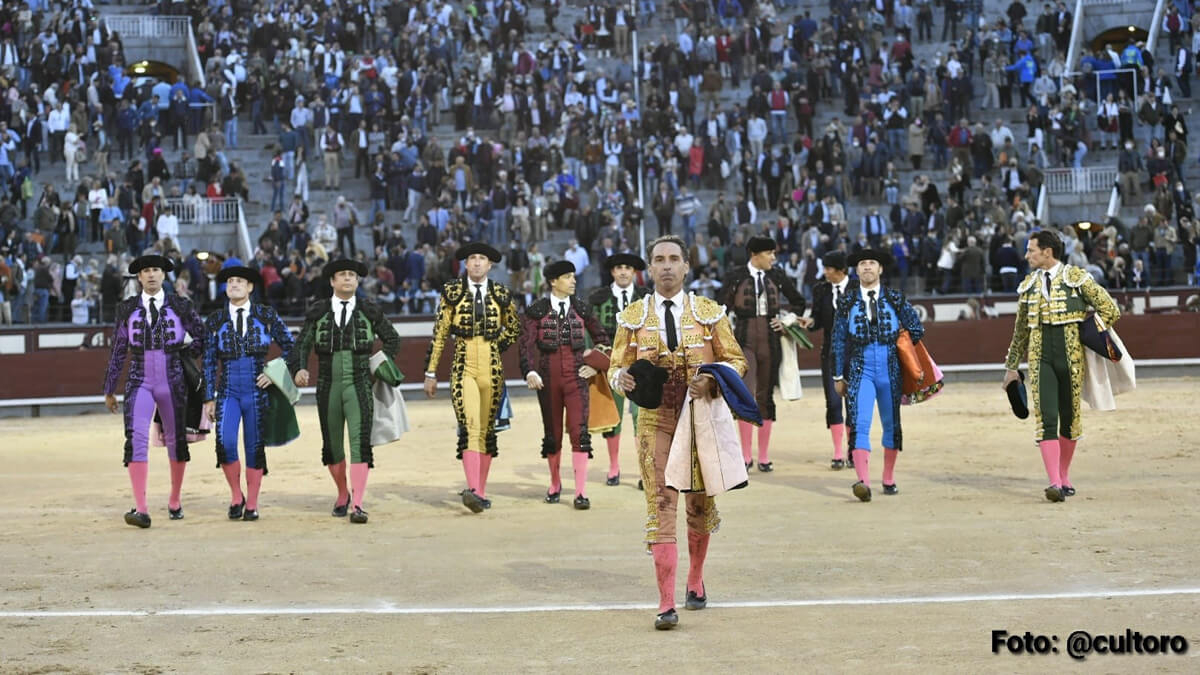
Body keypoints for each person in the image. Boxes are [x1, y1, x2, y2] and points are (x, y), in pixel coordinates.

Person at [607, 235, 747, 630]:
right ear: (648, 269)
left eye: (673, 259)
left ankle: (695, 579)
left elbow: (736, 361)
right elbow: (616, 367)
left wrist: (714, 381)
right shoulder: (631, 317)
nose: (666, 266)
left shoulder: (709, 312)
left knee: (699, 503)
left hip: (699, 417)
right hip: (655, 419)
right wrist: (624, 382)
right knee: (662, 502)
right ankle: (666, 603)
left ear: (686, 266)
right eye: (658, 260)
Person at [1002, 230, 1121, 502]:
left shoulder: (1076, 279)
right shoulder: (1028, 285)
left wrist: (1089, 332)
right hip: (1040, 356)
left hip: (1071, 356)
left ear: (1047, 251)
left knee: (1070, 418)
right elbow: (1020, 330)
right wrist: (1011, 367)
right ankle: (1054, 482)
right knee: (1046, 418)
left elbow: (1110, 310)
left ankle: (1064, 476)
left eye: (1031, 250)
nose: (1026, 255)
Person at [289, 259, 402, 524]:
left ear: (358, 281)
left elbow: (393, 339)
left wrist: (377, 365)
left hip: (360, 384)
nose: (348, 279)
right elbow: (302, 345)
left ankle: (358, 502)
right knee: (332, 445)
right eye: (342, 275)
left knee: (360, 443)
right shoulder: (318, 311)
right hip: (327, 386)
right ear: (332, 281)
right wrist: (299, 369)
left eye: (352, 275)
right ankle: (342, 493)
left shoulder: (369, 310)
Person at [103, 255, 208, 528]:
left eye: (156, 270)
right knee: (136, 439)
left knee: (176, 440)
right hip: (139, 381)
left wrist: (186, 354)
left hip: (173, 381)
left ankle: (174, 501)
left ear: (164, 275)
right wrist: (109, 388)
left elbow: (202, 336)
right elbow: (118, 349)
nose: (151, 275)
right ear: (139, 277)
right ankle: (142, 509)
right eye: (146, 271)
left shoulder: (180, 305)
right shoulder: (127, 308)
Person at [423, 243, 521, 513]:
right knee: (470, 426)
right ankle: (473, 489)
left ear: (490, 265)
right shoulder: (452, 292)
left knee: (488, 430)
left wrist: (493, 345)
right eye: (472, 259)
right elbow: (441, 332)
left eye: (482, 259)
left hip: (491, 365)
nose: (477, 263)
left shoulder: (501, 293)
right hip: (463, 363)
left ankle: (481, 489)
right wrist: (431, 372)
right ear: (466, 264)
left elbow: (514, 327)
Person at [201, 266, 296, 521]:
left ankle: (252, 503)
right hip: (228, 391)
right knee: (225, 443)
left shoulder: (265, 315)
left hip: (256, 393)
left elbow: (291, 347)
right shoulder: (215, 320)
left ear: (250, 287)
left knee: (254, 447)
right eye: (230, 281)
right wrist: (209, 397)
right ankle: (236, 496)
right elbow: (209, 361)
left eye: (239, 281)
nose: (233, 285)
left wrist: (274, 372)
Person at [832, 248, 925, 502]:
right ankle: (862, 481)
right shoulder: (847, 301)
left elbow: (917, 328)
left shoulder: (895, 298)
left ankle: (888, 477)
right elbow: (838, 339)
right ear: (857, 270)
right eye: (862, 264)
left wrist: (900, 343)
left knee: (891, 424)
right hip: (861, 368)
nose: (867, 267)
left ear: (880, 269)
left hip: (890, 367)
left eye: (872, 263)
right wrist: (838, 375)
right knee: (860, 423)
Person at [521, 260, 611, 509]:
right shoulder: (536, 310)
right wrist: (529, 370)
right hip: (547, 379)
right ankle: (555, 483)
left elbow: (603, 339)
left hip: (576, 378)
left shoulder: (582, 309)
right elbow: (526, 345)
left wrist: (596, 366)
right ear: (553, 281)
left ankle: (580, 492)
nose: (573, 280)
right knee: (553, 434)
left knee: (578, 432)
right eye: (568, 276)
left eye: (573, 276)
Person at [717, 235, 808, 471]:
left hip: (770, 342)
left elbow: (798, 302)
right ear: (755, 255)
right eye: (769, 253)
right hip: (743, 342)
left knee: (765, 396)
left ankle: (764, 456)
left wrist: (786, 321)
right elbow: (719, 308)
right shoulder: (735, 276)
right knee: (746, 393)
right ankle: (746, 456)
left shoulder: (776, 276)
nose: (773, 258)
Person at [585, 253, 651, 486]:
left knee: (640, 417)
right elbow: (589, 334)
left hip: (641, 365)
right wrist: (592, 362)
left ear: (635, 272)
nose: (623, 271)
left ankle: (645, 471)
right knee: (613, 418)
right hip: (610, 364)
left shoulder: (647, 298)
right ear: (613, 272)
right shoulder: (597, 298)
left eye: (628, 268)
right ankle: (614, 467)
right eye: (619, 268)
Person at [807, 251, 853, 469]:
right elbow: (817, 319)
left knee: (853, 404)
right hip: (830, 354)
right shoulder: (821, 290)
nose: (824, 272)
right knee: (834, 403)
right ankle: (838, 452)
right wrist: (808, 322)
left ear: (841, 270)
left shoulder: (857, 289)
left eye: (828, 268)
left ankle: (853, 449)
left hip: (855, 354)